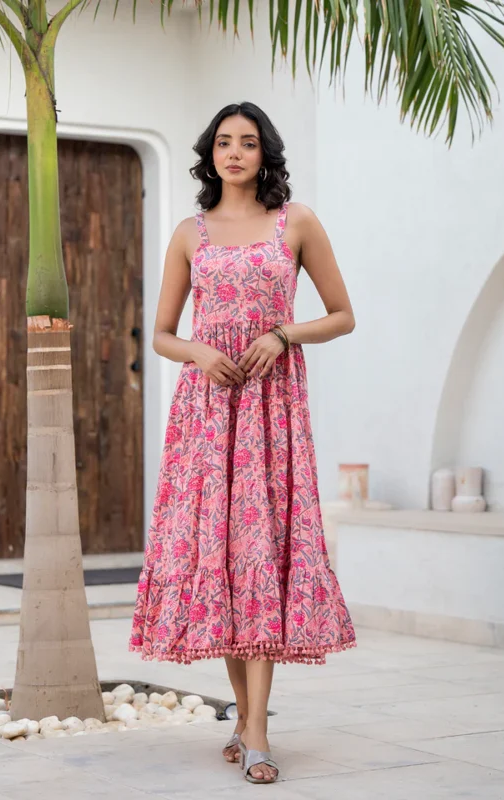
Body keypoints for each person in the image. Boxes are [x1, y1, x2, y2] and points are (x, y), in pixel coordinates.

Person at [129, 101, 357, 784]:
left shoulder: (297, 223)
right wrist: (197, 351)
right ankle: (245, 718)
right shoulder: (189, 234)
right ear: (210, 153)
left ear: (265, 153)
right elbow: (162, 332)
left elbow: (343, 315)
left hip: (272, 410)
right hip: (207, 414)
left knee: (262, 557)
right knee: (225, 565)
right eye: (224, 142)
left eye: (248, 142)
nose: (235, 153)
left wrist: (283, 333)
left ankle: (255, 732)